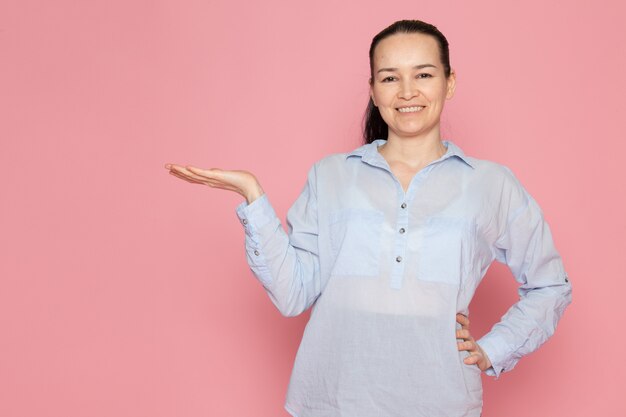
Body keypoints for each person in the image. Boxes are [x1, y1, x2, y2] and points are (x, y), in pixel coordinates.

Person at [165, 19, 572, 417]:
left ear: (449, 82)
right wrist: (252, 195)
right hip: (333, 398)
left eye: (424, 74)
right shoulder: (331, 175)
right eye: (390, 78)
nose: (407, 91)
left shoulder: (490, 184)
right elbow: (293, 294)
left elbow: (550, 285)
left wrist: (494, 350)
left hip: (441, 400)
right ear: (374, 90)